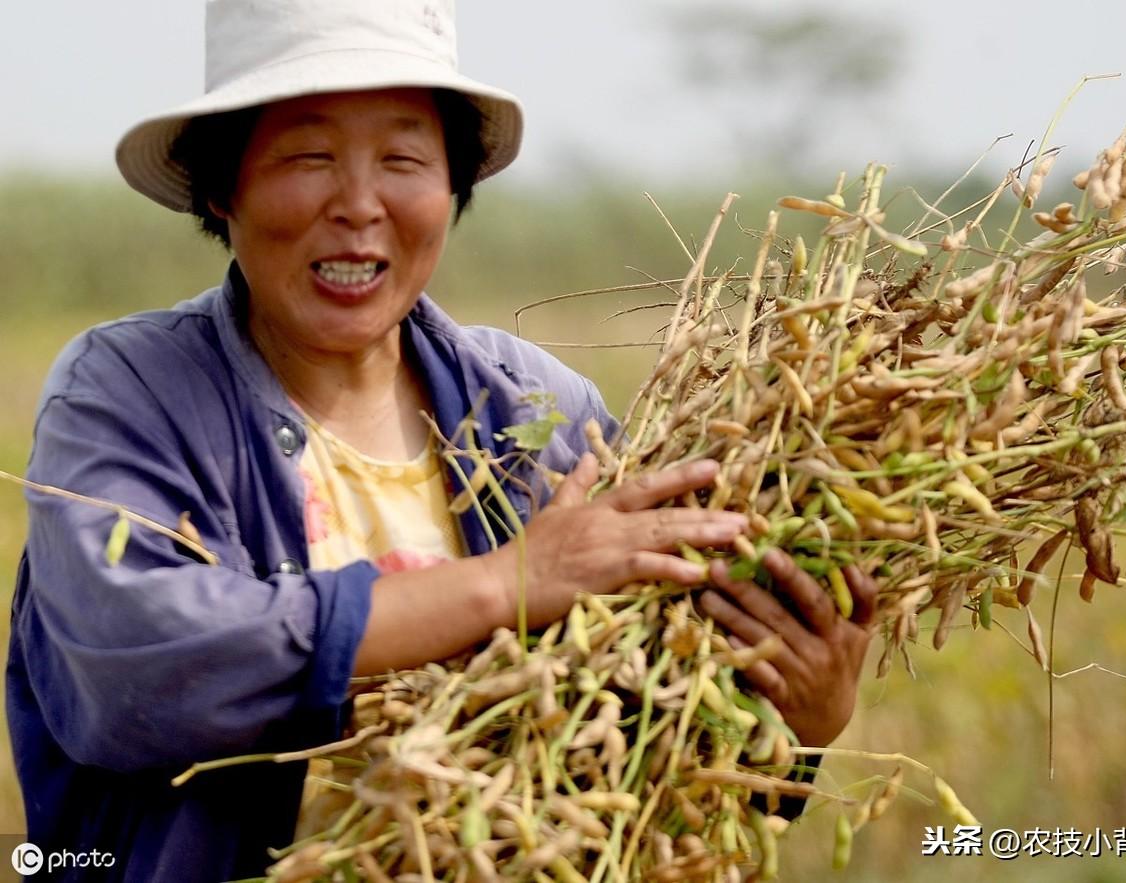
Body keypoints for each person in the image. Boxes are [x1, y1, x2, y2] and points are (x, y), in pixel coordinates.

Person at [6, 1, 878, 880]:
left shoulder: (544, 419)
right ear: (222, 184)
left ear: (452, 184)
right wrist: (510, 582)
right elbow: (133, 669)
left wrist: (799, 725)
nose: (358, 204)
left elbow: (657, 766)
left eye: (403, 159)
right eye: (308, 156)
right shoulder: (130, 393)